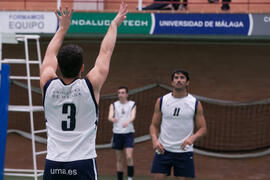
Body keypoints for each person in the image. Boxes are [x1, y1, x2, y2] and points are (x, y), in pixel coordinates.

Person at [40, 3, 128, 180]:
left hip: (53, 162)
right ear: (82, 67)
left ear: (58, 66)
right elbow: (106, 51)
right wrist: (113, 25)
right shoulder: (90, 85)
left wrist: (62, 29)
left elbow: (49, 55)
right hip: (82, 162)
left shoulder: (47, 83)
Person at [149, 70, 207, 180]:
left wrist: (192, 138)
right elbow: (154, 125)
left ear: (187, 82)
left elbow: (203, 129)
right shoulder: (161, 101)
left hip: (184, 151)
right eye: (176, 78)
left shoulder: (195, 103)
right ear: (172, 82)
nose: (179, 80)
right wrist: (155, 140)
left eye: (182, 77)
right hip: (163, 150)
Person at [108, 86, 136, 180]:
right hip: (117, 134)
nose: (120, 94)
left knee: (129, 156)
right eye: (119, 93)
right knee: (119, 159)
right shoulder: (114, 105)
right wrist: (113, 118)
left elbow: (133, 116)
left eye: (122, 92)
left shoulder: (132, 104)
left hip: (128, 133)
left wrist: (128, 121)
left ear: (127, 94)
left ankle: (130, 178)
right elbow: (109, 116)